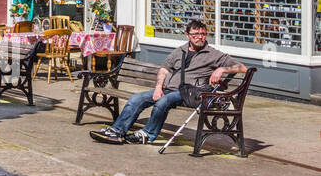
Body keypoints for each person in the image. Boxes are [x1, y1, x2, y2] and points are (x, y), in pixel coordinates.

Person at [89, 19, 247, 145]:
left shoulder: (213, 54)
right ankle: (116, 132)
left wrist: (222, 70)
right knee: (136, 99)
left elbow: (243, 68)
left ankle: (148, 134)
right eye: (196, 34)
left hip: (189, 92)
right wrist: (158, 87)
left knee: (163, 101)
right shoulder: (180, 51)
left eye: (203, 34)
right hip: (167, 88)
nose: (200, 37)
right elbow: (164, 69)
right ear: (187, 35)